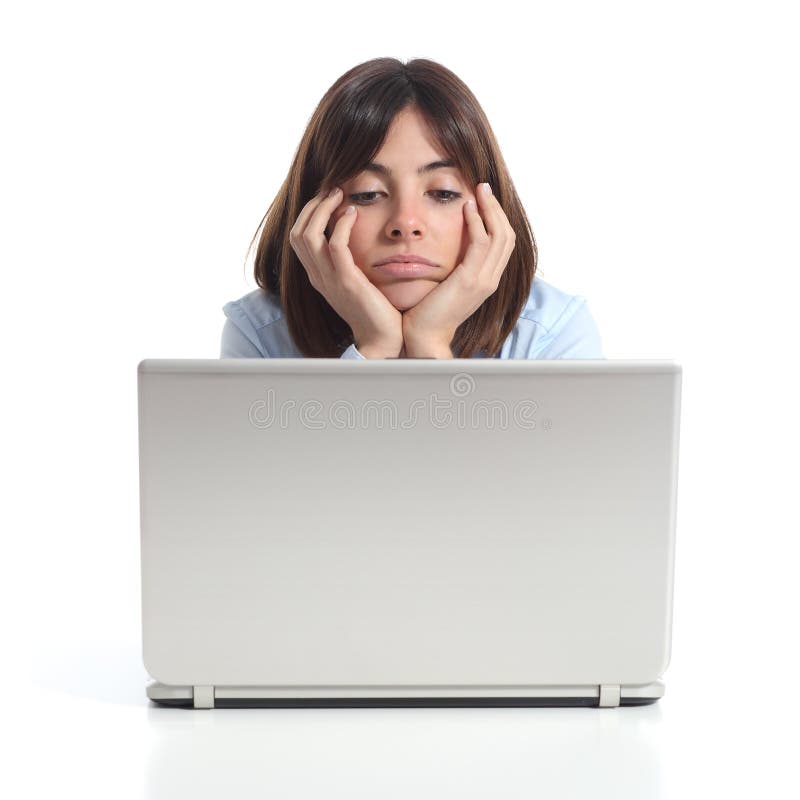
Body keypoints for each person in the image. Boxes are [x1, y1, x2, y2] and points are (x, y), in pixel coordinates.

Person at [220, 57, 603, 360]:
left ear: (492, 212)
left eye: (442, 193)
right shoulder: (260, 334)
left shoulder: (551, 332)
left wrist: (431, 346)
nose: (405, 224)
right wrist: (374, 347)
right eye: (367, 194)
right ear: (314, 214)